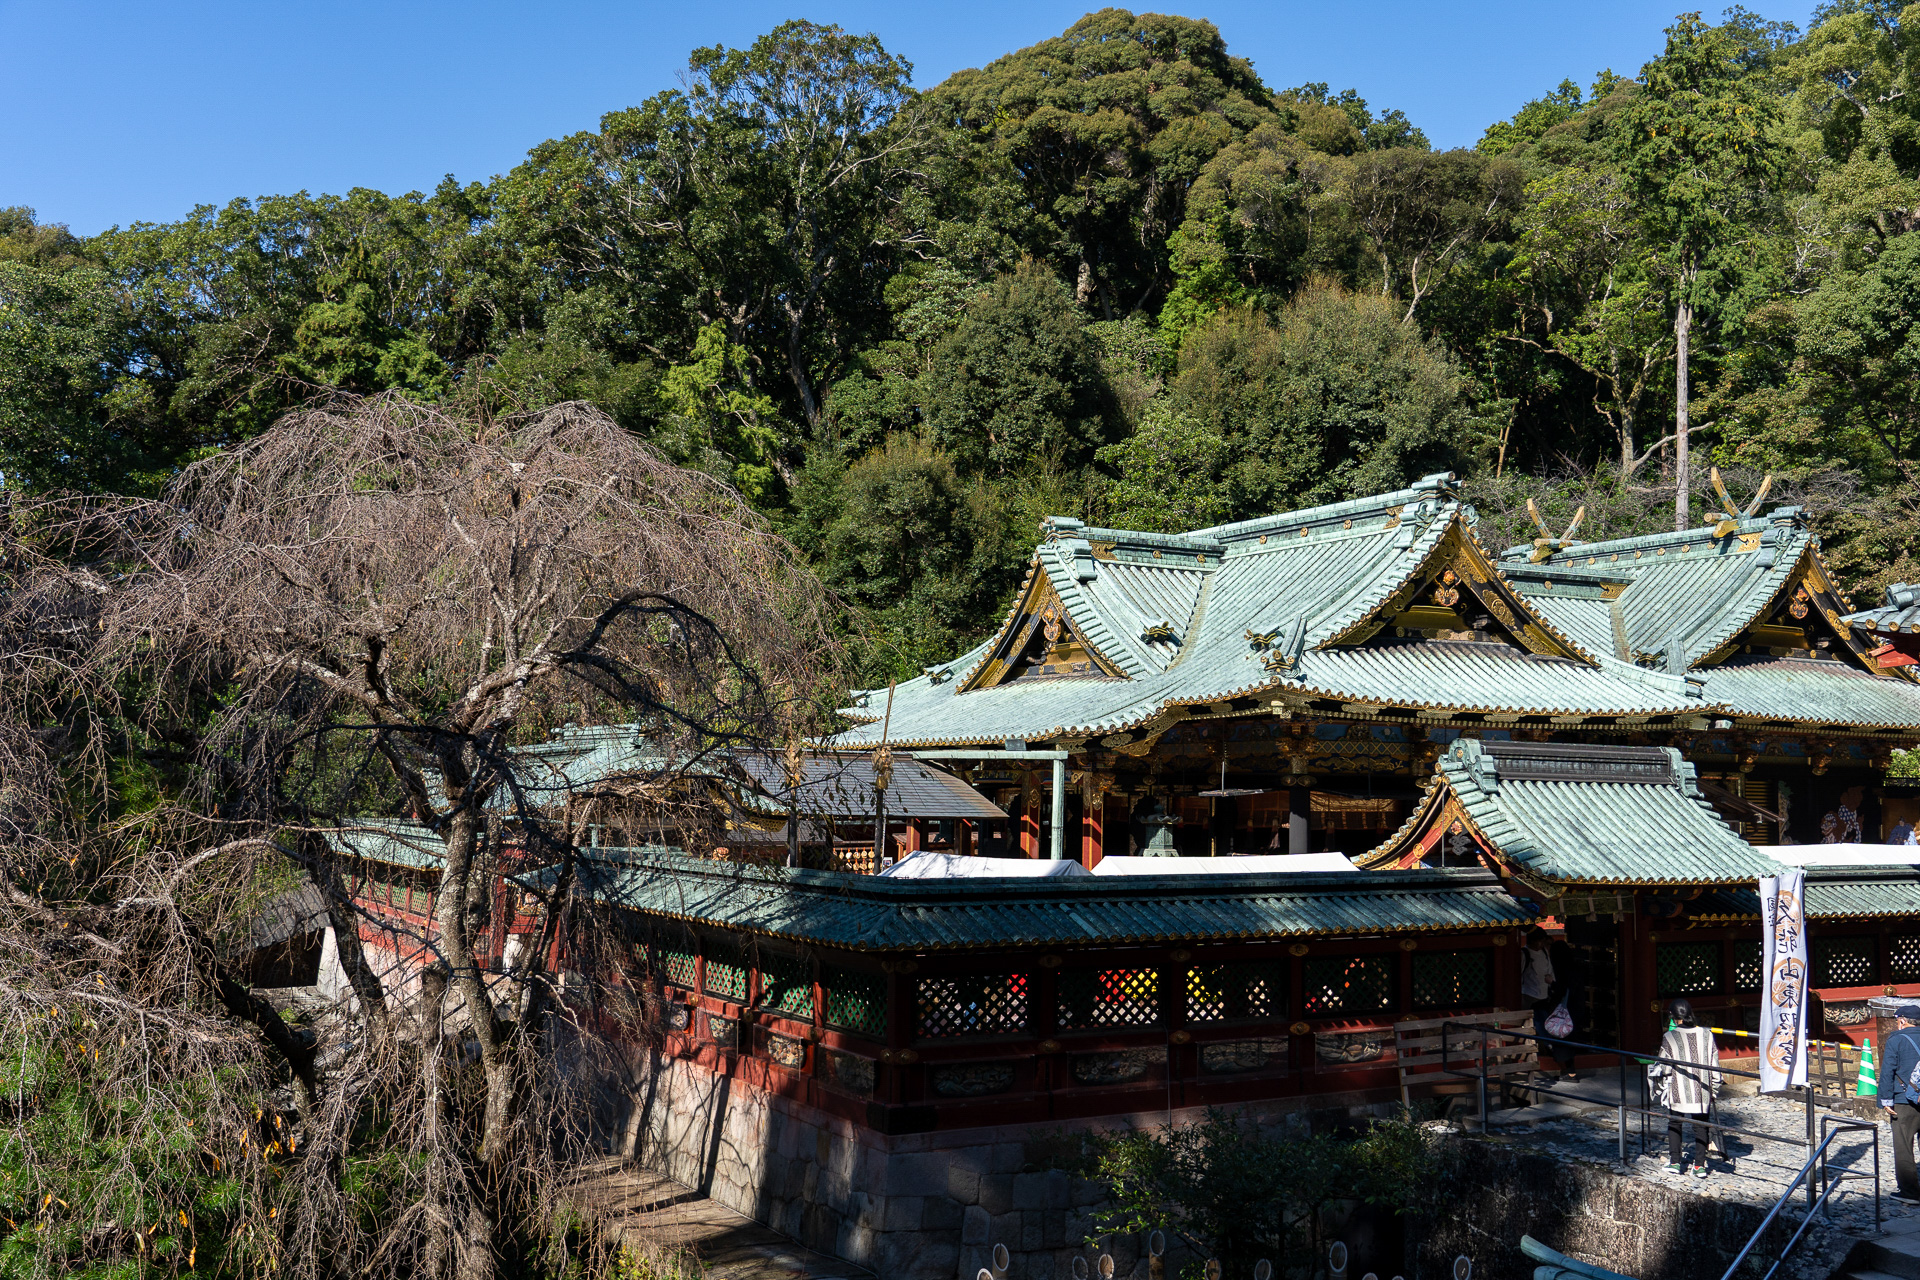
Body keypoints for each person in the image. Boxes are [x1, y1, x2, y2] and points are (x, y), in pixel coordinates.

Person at [1654, 998, 1723, 1177]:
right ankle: (1699, 1166)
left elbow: (1664, 1067)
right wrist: (1715, 1088)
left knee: (1675, 1123)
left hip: (1679, 1089)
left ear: (1673, 1017)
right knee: (1701, 1126)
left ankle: (1675, 1162)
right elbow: (1714, 1064)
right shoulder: (1707, 1034)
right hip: (1703, 1090)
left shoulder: (1669, 1037)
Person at [1521, 928, 1576, 1081]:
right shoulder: (1525, 954)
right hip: (1531, 996)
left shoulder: (1546, 954)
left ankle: (1568, 1071)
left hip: (1548, 998)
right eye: (1538, 941)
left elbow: (1553, 976)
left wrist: (1552, 984)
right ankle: (1568, 1070)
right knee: (1540, 1027)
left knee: (1548, 1029)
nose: (1541, 944)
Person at [1879, 1004, 1920, 1203]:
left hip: (1904, 1099)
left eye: (1897, 1020)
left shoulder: (1897, 1039)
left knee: (1904, 1144)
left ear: (1903, 1020)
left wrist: (1886, 1099)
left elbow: (1888, 1071)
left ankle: (1910, 1192)